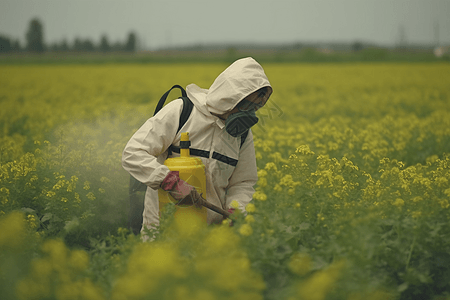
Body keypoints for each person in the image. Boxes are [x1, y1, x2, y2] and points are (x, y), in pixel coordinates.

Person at [122, 57, 273, 238]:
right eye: (247, 105)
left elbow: (243, 182)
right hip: (163, 231)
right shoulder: (182, 112)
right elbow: (133, 152)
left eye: (255, 108)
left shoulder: (242, 135)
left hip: (210, 239)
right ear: (230, 96)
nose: (249, 115)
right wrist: (169, 181)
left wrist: (236, 209)